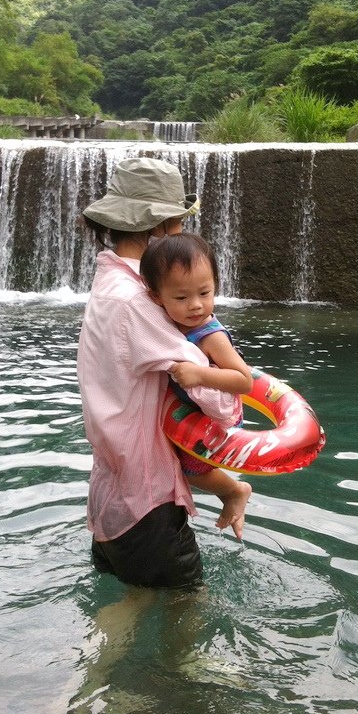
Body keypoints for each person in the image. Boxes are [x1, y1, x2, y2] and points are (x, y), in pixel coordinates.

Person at [77, 156, 242, 589]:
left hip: (111, 490)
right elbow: (219, 401)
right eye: (177, 227)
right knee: (183, 607)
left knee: (133, 604)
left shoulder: (109, 283)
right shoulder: (138, 303)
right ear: (158, 229)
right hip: (147, 499)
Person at [139, 232, 252, 541]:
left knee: (188, 469)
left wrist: (201, 375)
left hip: (211, 417)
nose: (196, 305)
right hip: (186, 409)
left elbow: (244, 380)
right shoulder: (162, 320)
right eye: (181, 298)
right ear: (156, 297)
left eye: (205, 293)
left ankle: (234, 490)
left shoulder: (210, 335)